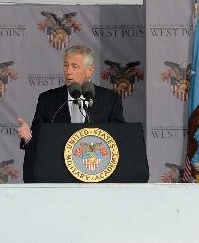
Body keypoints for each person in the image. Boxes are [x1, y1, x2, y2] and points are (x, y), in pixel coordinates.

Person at [17, 45, 125, 182]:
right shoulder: (48, 99)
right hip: (58, 177)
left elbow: (120, 138)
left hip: (97, 176)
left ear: (89, 71)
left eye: (75, 67)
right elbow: (40, 142)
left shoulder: (110, 99)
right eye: (66, 65)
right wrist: (28, 138)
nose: (68, 71)